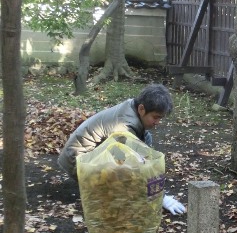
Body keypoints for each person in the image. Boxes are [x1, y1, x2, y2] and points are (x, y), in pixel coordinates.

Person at [58, 83, 186, 215]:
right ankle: (96, 185)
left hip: (91, 150)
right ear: (142, 109)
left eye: (160, 118)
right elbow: (130, 165)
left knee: (146, 138)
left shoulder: (133, 106)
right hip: (76, 159)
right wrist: (161, 197)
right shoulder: (123, 126)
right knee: (125, 177)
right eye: (155, 117)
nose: (158, 122)